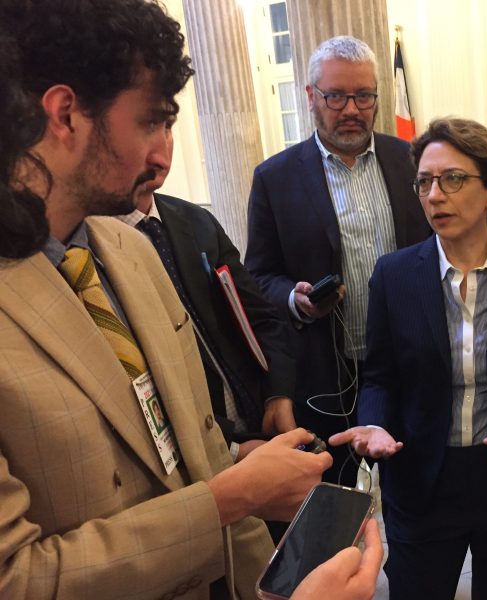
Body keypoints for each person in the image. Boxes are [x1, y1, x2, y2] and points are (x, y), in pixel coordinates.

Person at [0, 2, 381, 598]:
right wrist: (233, 495)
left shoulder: (129, 250)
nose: (162, 156)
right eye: (150, 122)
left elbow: (193, 452)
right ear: (66, 114)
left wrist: (271, 584)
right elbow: (14, 577)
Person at [330, 118, 487, 600]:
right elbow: (379, 376)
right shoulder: (395, 275)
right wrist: (374, 424)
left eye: (453, 179)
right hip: (421, 478)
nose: (435, 195)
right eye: (425, 182)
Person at [244, 35, 431, 486]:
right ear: (311, 96)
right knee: (333, 495)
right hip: (326, 373)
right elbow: (258, 275)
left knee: (415, 487)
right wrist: (294, 299)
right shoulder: (274, 178)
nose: (351, 109)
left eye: (364, 96)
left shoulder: (411, 161)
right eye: (336, 96)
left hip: (410, 362)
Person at [119, 115, 297, 462]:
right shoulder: (90, 250)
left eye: (167, 126)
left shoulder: (196, 221)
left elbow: (261, 317)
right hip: (191, 455)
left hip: (259, 425)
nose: (160, 147)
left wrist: (278, 394)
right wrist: (231, 448)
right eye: (144, 127)